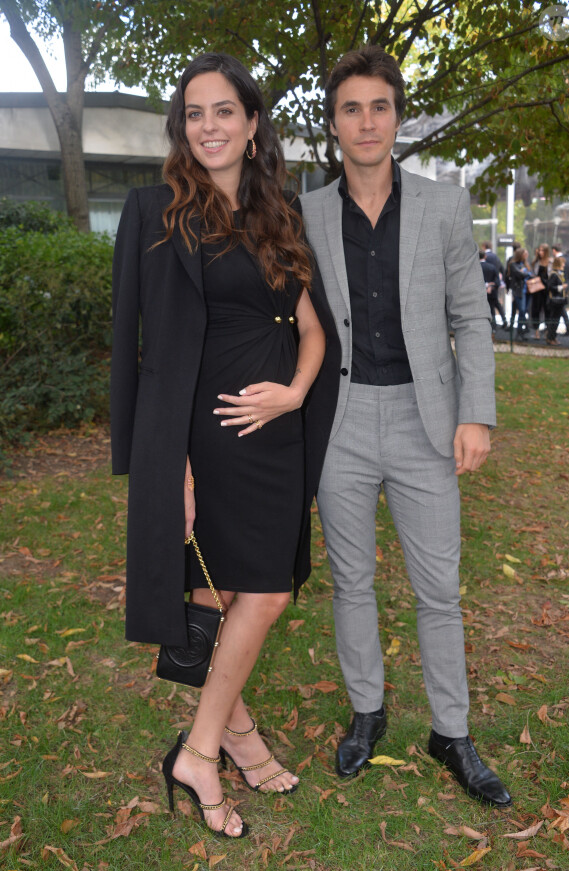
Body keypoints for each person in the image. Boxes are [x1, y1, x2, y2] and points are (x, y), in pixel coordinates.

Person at [110, 52, 340, 838]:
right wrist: (163, 458)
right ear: (184, 127)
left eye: (224, 112)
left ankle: (220, 739)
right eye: (195, 113)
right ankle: (211, 747)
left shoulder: (281, 214)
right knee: (229, 595)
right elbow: (141, 347)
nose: (208, 126)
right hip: (201, 435)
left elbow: (313, 330)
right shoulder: (155, 211)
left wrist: (298, 390)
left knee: (255, 592)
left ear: (251, 126)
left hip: (274, 436)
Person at [300, 46, 511, 808]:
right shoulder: (308, 211)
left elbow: (469, 317)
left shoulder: (444, 205)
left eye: (379, 106)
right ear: (334, 123)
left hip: (428, 418)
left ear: (397, 116)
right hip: (342, 417)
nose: (366, 120)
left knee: (439, 589)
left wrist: (476, 412)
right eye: (351, 107)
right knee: (352, 581)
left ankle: (451, 731)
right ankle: (367, 712)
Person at [508, 248, 533, 341]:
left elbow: (530, 274)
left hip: (527, 291)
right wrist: (526, 273)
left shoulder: (525, 264)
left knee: (523, 311)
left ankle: (520, 332)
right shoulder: (513, 264)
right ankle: (525, 328)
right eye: (525, 254)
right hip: (519, 291)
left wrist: (525, 272)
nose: (526, 256)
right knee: (521, 310)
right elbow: (521, 275)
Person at [480, 246, 507, 330]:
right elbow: (497, 281)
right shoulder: (492, 267)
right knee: (495, 306)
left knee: (489, 308)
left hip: (480, 293)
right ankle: (501, 322)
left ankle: (492, 326)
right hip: (492, 291)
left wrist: (485, 285)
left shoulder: (475, 268)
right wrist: (491, 286)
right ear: (485, 256)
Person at [545, 255, 568, 345]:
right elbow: (550, 287)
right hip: (555, 301)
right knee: (554, 320)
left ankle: (552, 337)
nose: (564, 265)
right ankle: (550, 338)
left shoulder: (558, 274)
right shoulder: (554, 274)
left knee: (556, 320)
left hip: (559, 301)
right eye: (563, 263)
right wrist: (561, 287)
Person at [531, 244, 550, 339]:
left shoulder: (550, 262)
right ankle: (536, 332)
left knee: (547, 310)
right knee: (536, 310)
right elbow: (533, 274)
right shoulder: (536, 262)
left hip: (546, 290)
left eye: (542, 250)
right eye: (540, 250)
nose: (540, 252)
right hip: (537, 290)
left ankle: (547, 332)